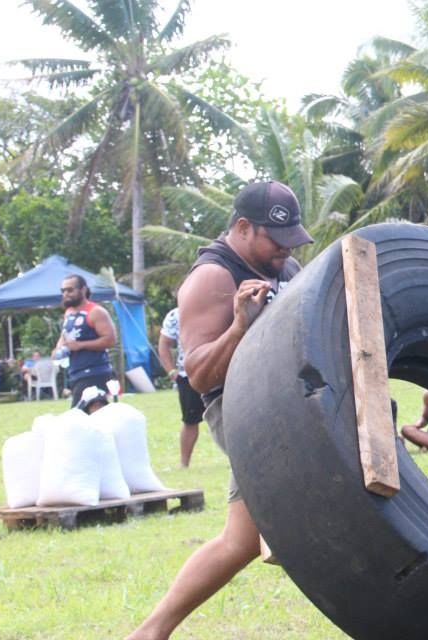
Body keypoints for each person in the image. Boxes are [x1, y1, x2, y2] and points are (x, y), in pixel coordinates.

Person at [128, 180, 312, 640]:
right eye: (276, 239)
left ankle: (150, 633)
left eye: (291, 239)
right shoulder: (212, 278)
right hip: (242, 408)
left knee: (240, 541)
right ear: (244, 227)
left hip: (288, 398)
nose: (284, 251)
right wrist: (238, 328)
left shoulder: (284, 264)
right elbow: (202, 376)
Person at [52, 274, 118, 408]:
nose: (66, 294)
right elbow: (64, 335)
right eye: (63, 291)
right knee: (90, 417)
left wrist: (81, 345)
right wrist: (58, 349)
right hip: (76, 372)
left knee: (82, 416)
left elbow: (110, 340)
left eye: (70, 290)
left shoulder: (95, 312)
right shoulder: (69, 312)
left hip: (94, 372)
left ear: (83, 290)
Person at [158, 307, 206, 468]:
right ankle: (184, 463)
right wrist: (172, 371)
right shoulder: (175, 315)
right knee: (190, 420)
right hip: (188, 374)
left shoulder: (217, 306)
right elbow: (164, 344)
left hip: (217, 369)